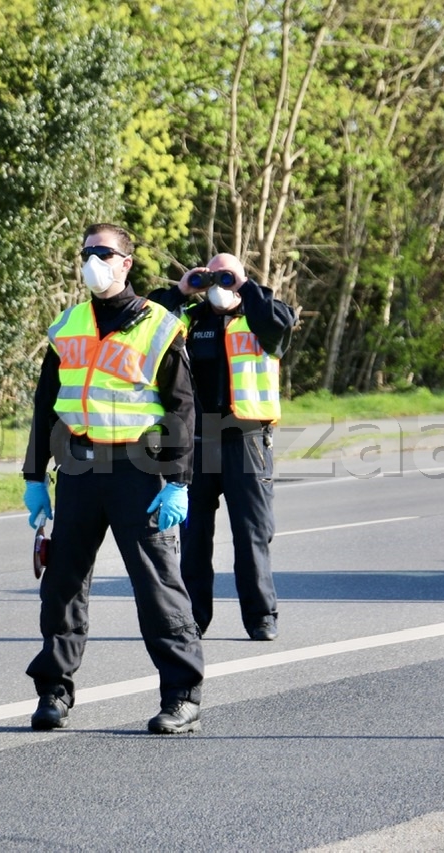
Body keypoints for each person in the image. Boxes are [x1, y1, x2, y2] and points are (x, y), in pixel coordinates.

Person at [21, 223, 205, 735]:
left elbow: (184, 409)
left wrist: (178, 480)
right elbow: (45, 407)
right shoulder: (69, 325)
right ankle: (54, 691)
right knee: (62, 583)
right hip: (78, 464)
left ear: (127, 262)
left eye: (103, 252)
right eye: (85, 253)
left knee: (157, 584)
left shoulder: (159, 325)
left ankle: (182, 696)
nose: (91, 261)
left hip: (139, 470)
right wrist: (35, 475)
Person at [150, 253, 296, 641]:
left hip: (246, 440)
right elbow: (147, 322)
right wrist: (182, 290)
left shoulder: (261, 316)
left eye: (226, 277)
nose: (219, 285)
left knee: (252, 534)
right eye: (213, 278)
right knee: (194, 537)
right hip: (196, 442)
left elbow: (279, 322)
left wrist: (243, 285)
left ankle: (261, 617)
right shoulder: (192, 319)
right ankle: (193, 618)